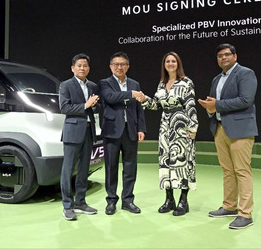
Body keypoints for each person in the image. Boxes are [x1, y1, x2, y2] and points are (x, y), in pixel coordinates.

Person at [198, 43, 258, 230]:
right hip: (220, 128)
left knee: (241, 170)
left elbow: (246, 100)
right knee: (227, 170)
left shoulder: (246, 73)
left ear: (235, 56)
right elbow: (215, 103)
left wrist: (217, 105)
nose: (223, 58)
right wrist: (209, 107)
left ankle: (245, 213)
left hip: (240, 130)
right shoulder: (217, 79)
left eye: (226, 55)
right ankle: (230, 206)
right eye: (219, 56)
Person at [142, 52, 198, 216]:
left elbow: (191, 106)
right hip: (165, 127)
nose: (171, 64)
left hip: (181, 126)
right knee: (166, 161)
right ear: (164, 64)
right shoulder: (162, 83)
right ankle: (169, 199)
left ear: (178, 64)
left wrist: (193, 127)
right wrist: (143, 99)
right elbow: (155, 105)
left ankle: (183, 200)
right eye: (168, 61)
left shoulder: (186, 82)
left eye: (173, 61)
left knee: (182, 163)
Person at [99, 52, 146, 215]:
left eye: (123, 64)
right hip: (112, 131)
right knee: (111, 167)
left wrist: (141, 128)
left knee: (130, 167)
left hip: (131, 130)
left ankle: (128, 200)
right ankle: (111, 200)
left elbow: (139, 108)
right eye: (116, 64)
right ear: (111, 66)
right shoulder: (105, 83)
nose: (119, 67)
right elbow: (110, 98)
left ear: (128, 66)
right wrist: (130, 94)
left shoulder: (135, 83)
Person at [59, 53, 100, 221]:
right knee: (68, 170)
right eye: (79, 65)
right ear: (73, 68)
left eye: (85, 66)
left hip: (89, 132)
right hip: (72, 132)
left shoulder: (93, 86)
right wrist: (85, 105)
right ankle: (67, 206)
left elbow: (96, 107)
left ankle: (80, 202)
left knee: (84, 170)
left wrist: (95, 106)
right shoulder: (65, 85)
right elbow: (64, 108)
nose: (82, 68)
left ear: (89, 69)